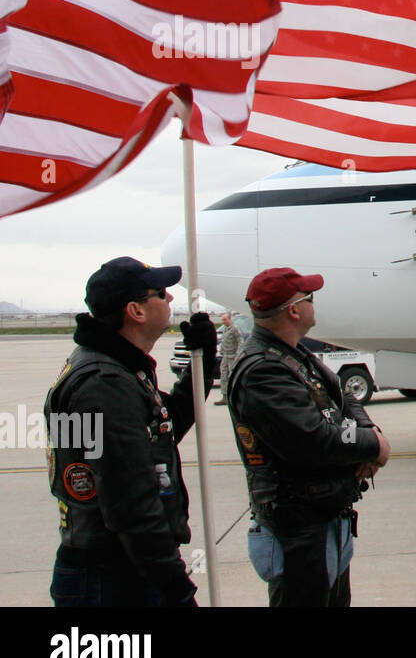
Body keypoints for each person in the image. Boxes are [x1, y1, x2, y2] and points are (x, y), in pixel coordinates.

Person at [45, 257, 216, 607]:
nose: (170, 299)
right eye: (161, 293)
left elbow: (167, 427)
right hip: (113, 576)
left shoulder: (119, 367)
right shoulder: (105, 384)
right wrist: (176, 590)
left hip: (123, 566)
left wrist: (204, 359)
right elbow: (131, 504)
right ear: (136, 311)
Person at [227, 267, 391, 606]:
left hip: (324, 518)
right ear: (294, 310)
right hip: (297, 528)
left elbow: (342, 398)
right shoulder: (262, 369)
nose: (316, 304)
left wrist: (367, 432)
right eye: (310, 297)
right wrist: (375, 446)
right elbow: (313, 440)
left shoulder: (293, 354)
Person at [214, 311, 243, 406]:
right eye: (222, 319)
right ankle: (224, 396)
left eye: (225, 319)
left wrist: (238, 355)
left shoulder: (234, 329)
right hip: (225, 356)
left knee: (232, 376)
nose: (223, 321)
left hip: (232, 357)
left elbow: (240, 341)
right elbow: (223, 341)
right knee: (223, 376)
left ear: (230, 319)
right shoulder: (225, 330)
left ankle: (235, 397)